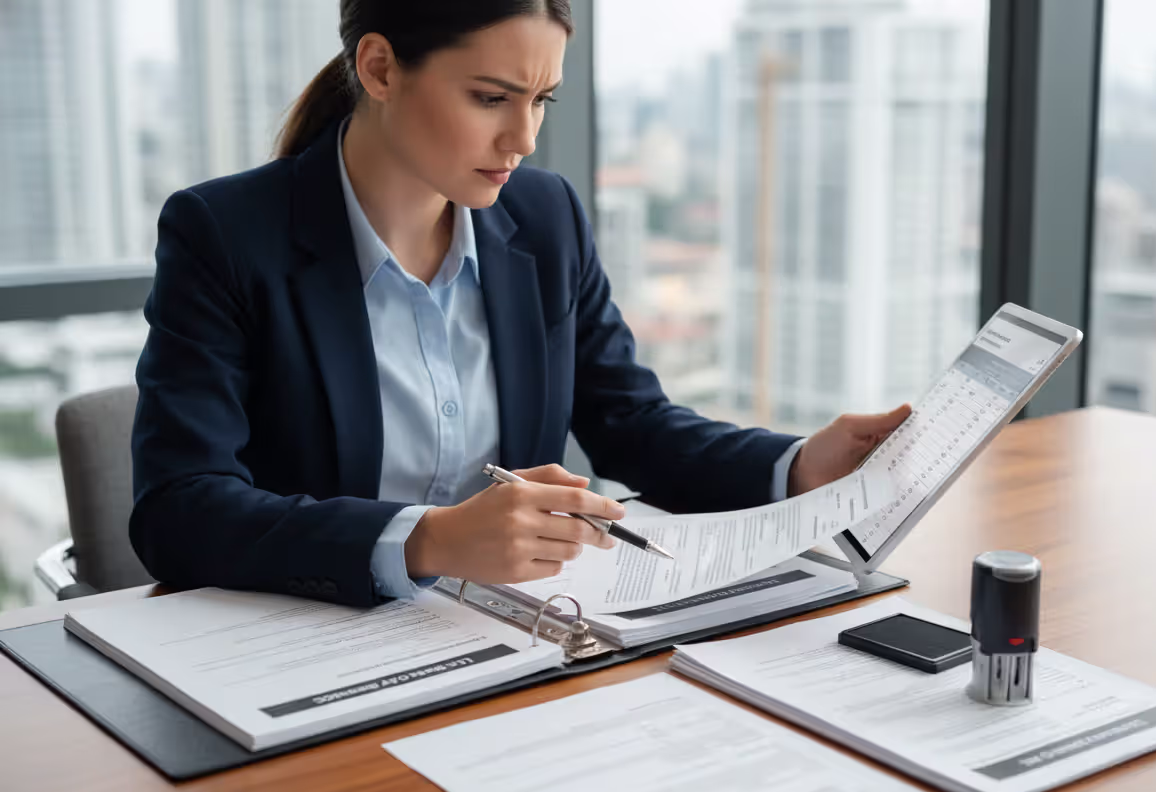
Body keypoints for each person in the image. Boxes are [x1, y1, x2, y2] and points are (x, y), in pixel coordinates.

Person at [130, 0, 911, 608]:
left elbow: (631, 424)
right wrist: (424, 541)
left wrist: (801, 464)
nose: (524, 137)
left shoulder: (544, 217)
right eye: (492, 97)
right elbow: (180, 510)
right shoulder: (226, 235)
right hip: (314, 642)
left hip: (521, 635)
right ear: (378, 68)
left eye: (543, 100)